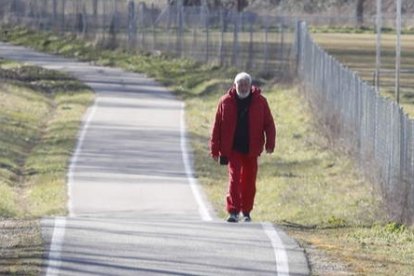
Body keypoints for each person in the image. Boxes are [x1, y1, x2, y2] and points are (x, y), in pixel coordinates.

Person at [209, 72, 276, 223]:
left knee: (249, 181)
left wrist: (270, 143)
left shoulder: (260, 102)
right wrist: (215, 149)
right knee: (235, 179)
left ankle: (246, 211)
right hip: (232, 149)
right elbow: (217, 127)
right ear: (235, 85)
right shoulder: (225, 102)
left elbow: (269, 124)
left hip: (252, 148)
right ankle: (233, 211)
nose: (243, 87)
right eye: (240, 84)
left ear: (250, 86)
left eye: (246, 84)